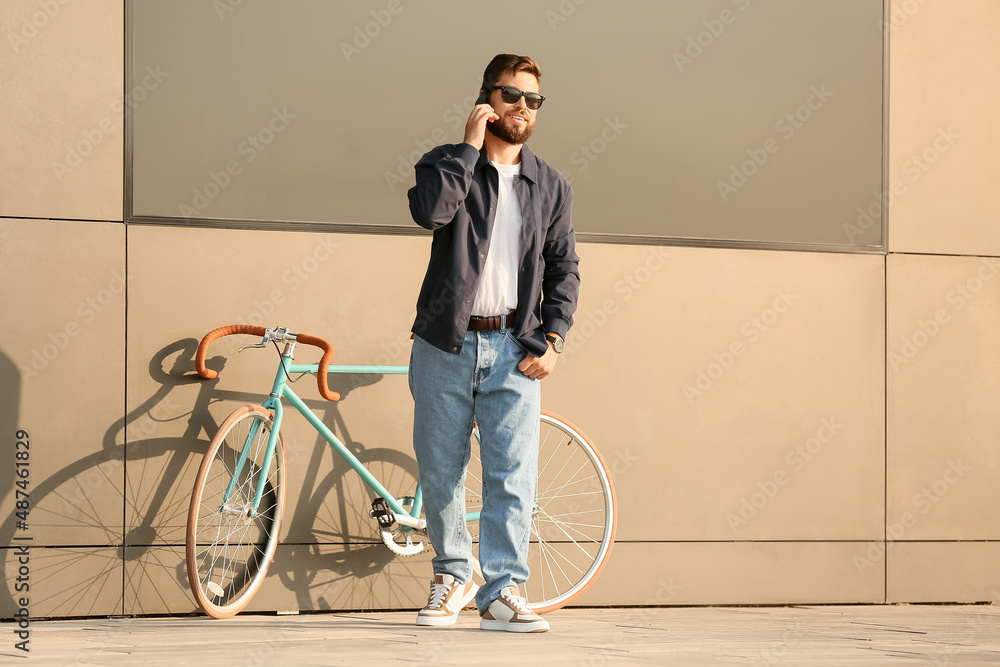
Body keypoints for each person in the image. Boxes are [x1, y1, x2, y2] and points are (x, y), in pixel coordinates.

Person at [406, 53, 579, 633]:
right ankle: (453, 577)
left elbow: (564, 269)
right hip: (444, 344)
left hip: (513, 348)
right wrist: (467, 148)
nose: (523, 108)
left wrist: (553, 338)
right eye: (511, 96)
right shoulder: (446, 164)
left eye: (534, 100)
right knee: (440, 470)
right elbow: (431, 213)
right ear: (486, 99)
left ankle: (503, 594)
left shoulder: (550, 185)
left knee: (512, 476)